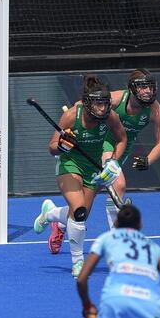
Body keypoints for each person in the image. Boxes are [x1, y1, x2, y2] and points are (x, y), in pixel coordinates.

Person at [45, 69, 160, 251]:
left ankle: (55, 218)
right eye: (142, 87)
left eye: (149, 86)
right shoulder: (117, 99)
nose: (147, 91)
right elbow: (86, 103)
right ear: (132, 89)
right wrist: (74, 121)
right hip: (103, 141)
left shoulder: (155, 109)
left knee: (82, 212)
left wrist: (148, 160)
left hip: (121, 145)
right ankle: (116, 244)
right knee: (118, 186)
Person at [32, 75, 127, 277]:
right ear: (87, 103)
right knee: (79, 211)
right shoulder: (71, 117)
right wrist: (63, 146)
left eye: (105, 103)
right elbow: (51, 148)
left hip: (92, 169)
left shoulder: (110, 117)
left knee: (78, 217)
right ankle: (78, 263)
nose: (103, 108)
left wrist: (112, 161)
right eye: (98, 104)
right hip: (69, 164)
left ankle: (50, 214)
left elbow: (121, 139)